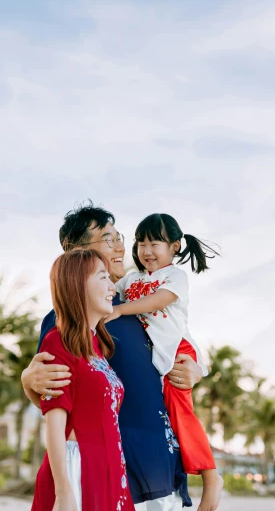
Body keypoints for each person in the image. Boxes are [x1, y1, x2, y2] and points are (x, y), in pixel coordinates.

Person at [22, 203, 204, 510]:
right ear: (76, 254)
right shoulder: (65, 320)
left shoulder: (140, 305)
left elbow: (184, 345)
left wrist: (197, 371)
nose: (122, 246)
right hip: (110, 467)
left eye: (119, 237)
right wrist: (28, 380)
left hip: (159, 461)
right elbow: (57, 399)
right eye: (108, 239)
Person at [107, 213, 223, 511]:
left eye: (155, 242)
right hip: (157, 355)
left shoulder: (175, 276)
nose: (146, 250)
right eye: (141, 242)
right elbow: (108, 293)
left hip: (178, 352)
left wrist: (121, 311)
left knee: (180, 413)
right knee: (169, 418)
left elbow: (158, 301)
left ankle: (211, 478)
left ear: (174, 246)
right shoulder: (132, 279)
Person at [32, 249, 132, 511]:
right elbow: (55, 423)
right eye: (103, 277)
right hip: (78, 469)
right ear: (77, 283)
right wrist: (63, 492)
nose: (112, 287)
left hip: (110, 468)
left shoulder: (96, 345)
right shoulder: (58, 341)